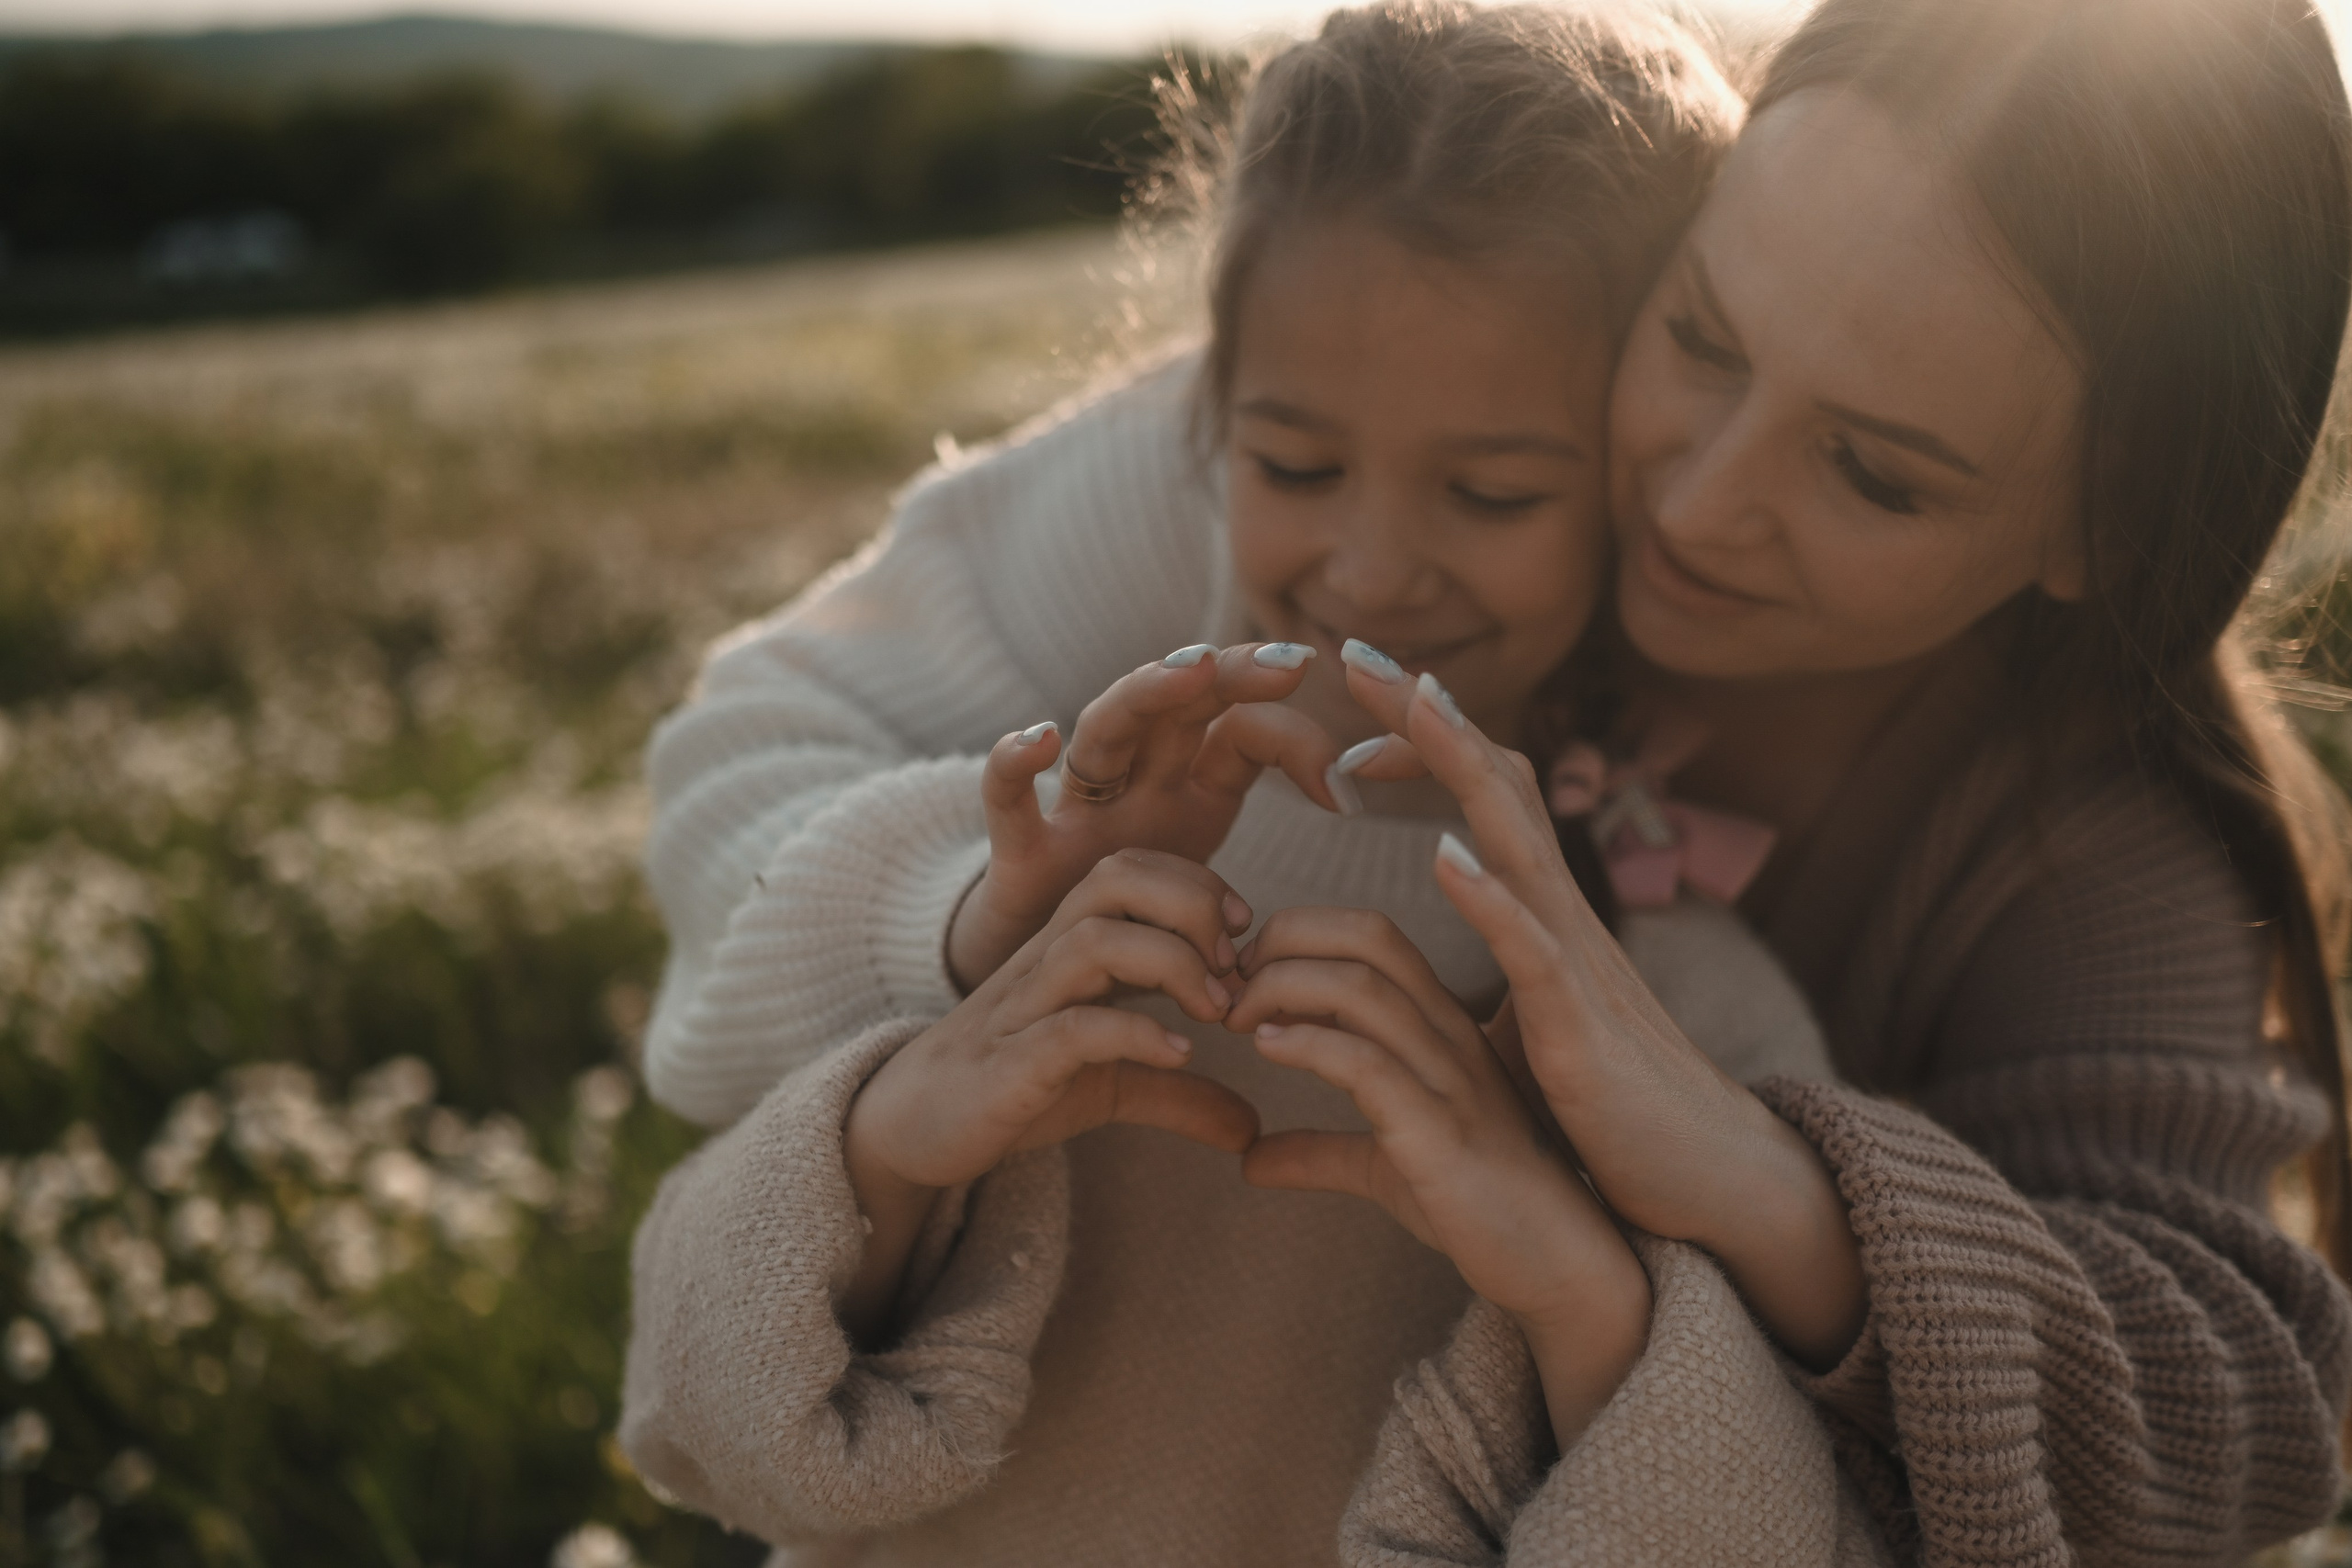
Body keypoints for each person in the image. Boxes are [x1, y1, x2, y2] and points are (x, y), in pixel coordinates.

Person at [619, 6, 1831, 1564]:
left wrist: (1588, 1291)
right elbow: (698, 1420)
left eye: (1494, 491)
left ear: (1652, 480)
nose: (1374, 565)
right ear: (1211, 429)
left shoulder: (1681, 998)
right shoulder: (1105, 807)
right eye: (1295, 466)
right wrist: (970, 950)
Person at [1288, 0, 2352, 1559]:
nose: (1702, 503)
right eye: (1702, 335)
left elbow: (2249, 1402)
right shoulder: (1455, 400)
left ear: (2105, 534)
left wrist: (1767, 1184)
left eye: (1873, 472)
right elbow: (812, 704)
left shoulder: (2086, 842)